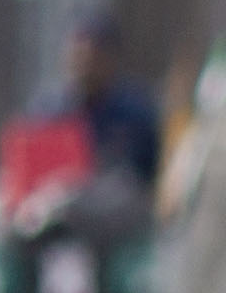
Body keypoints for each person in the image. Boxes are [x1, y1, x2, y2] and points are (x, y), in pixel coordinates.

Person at [60, 13, 165, 189]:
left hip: (117, 210)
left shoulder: (135, 113)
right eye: (77, 56)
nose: (84, 66)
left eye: (92, 57)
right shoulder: (50, 112)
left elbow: (148, 175)